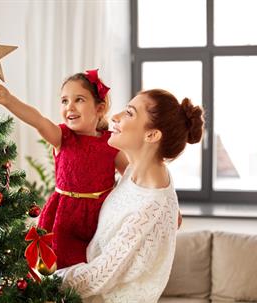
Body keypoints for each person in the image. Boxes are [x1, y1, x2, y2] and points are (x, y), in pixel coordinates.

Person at [55, 89, 204, 302]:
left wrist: (40, 280)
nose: (115, 117)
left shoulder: (150, 206)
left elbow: (98, 275)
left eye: (129, 113)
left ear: (152, 135)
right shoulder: (138, 170)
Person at [0, 69, 129, 269]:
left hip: (100, 218)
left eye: (79, 99)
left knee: (93, 270)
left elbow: (135, 178)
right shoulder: (62, 137)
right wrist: (8, 100)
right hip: (62, 218)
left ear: (100, 108)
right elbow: (38, 120)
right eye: (64, 101)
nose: (70, 106)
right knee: (57, 270)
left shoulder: (112, 144)